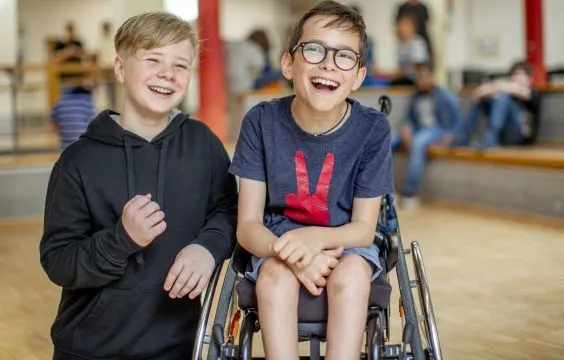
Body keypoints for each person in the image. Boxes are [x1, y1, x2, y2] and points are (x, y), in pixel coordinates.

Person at [39, 12, 238, 360]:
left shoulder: (203, 144)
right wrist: (121, 240)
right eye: (153, 60)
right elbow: (58, 261)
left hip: (179, 347)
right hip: (91, 349)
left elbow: (229, 211)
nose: (167, 73)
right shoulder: (78, 162)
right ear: (119, 69)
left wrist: (207, 248)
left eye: (180, 64)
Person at [229, 1, 394, 359]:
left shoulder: (372, 130)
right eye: (315, 49)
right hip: (275, 243)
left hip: (347, 241)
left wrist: (314, 238)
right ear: (288, 63)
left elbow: (364, 229)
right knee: (274, 278)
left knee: (351, 276)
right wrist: (291, 253)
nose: (328, 64)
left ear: (358, 76)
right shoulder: (260, 122)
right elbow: (247, 226)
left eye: (344, 57)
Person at [393, 63, 460, 209]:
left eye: (424, 77)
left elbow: (455, 121)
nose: (421, 81)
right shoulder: (415, 96)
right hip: (419, 129)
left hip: (436, 129)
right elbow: (408, 118)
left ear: (432, 77)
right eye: (419, 77)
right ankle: (386, 191)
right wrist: (406, 128)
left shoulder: (445, 96)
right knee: (388, 141)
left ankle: (410, 193)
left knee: (418, 143)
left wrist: (449, 138)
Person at [454, 61, 541, 149]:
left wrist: (490, 89)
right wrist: (483, 93)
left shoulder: (532, 92)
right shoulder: (508, 93)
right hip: (504, 136)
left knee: (503, 96)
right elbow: (479, 92)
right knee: (483, 100)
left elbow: (516, 89)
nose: (514, 78)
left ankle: (490, 140)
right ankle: (461, 138)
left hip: (520, 138)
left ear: (529, 79)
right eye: (512, 75)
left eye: (518, 74)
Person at [50, 84, 96, 151]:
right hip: (83, 143)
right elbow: (94, 123)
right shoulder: (87, 102)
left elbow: (52, 124)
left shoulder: (59, 102)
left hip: (65, 145)